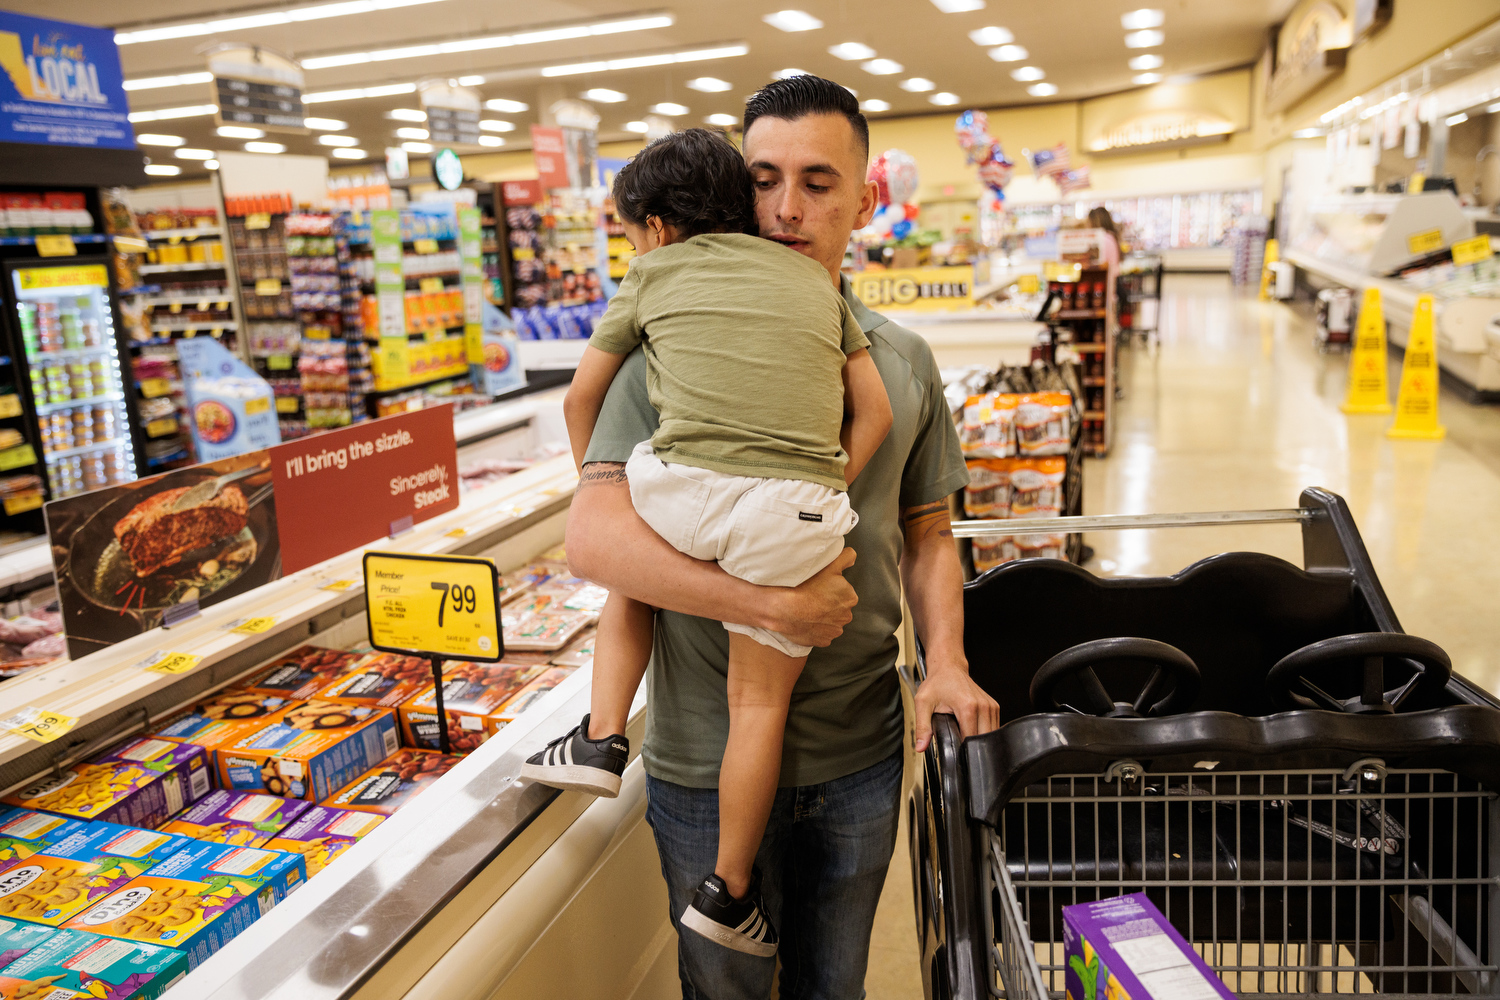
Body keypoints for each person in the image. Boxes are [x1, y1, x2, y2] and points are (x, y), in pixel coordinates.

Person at [563, 75, 1000, 998]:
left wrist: (947, 664)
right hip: (696, 754)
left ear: (865, 200)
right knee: (721, 990)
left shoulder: (902, 359)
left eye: (817, 182)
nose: (787, 209)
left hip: (861, 754)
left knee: (832, 987)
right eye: (763, 179)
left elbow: (927, 531)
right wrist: (768, 605)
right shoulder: (667, 352)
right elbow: (598, 542)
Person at [522, 125, 894, 955]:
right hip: (796, 517)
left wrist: (602, 477)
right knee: (757, 708)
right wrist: (819, 489)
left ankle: (602, 735)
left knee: (635, 565)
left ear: (653, 227)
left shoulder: (651, 273)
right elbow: (875, 412)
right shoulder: (814, 286)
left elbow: (581, 397)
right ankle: (728, 894)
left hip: (685, 497)